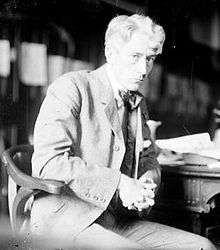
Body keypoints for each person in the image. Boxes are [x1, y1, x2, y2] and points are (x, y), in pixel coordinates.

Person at [30, 14, 216, 249]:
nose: (144, 70)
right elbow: (49, 164)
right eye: (135, 57)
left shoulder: (138, 102)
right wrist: (120, 184)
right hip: (66, 219)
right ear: (110, 53)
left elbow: (149, 159)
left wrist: (147, 182)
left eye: (150, 59)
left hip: (114, 219)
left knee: (202, 247)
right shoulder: (71, 87)